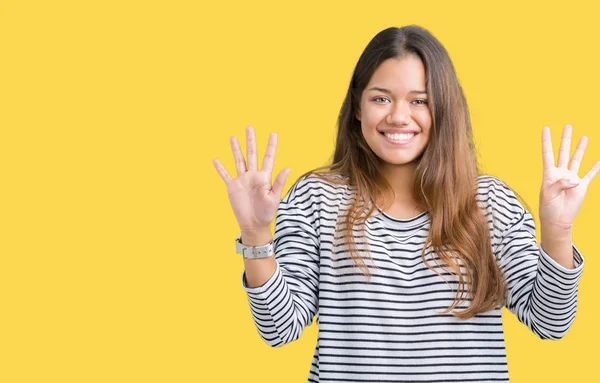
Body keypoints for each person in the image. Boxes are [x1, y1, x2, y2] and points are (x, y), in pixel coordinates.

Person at [212, 25, 599, 382]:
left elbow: (551, 322)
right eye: (381, 98)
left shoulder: (489, 202)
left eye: (420, 101)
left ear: (443, 109)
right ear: (359, 106)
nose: (399, 116)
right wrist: (255, 234)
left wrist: (557, 233)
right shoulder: (317, 197)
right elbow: (280, 328)